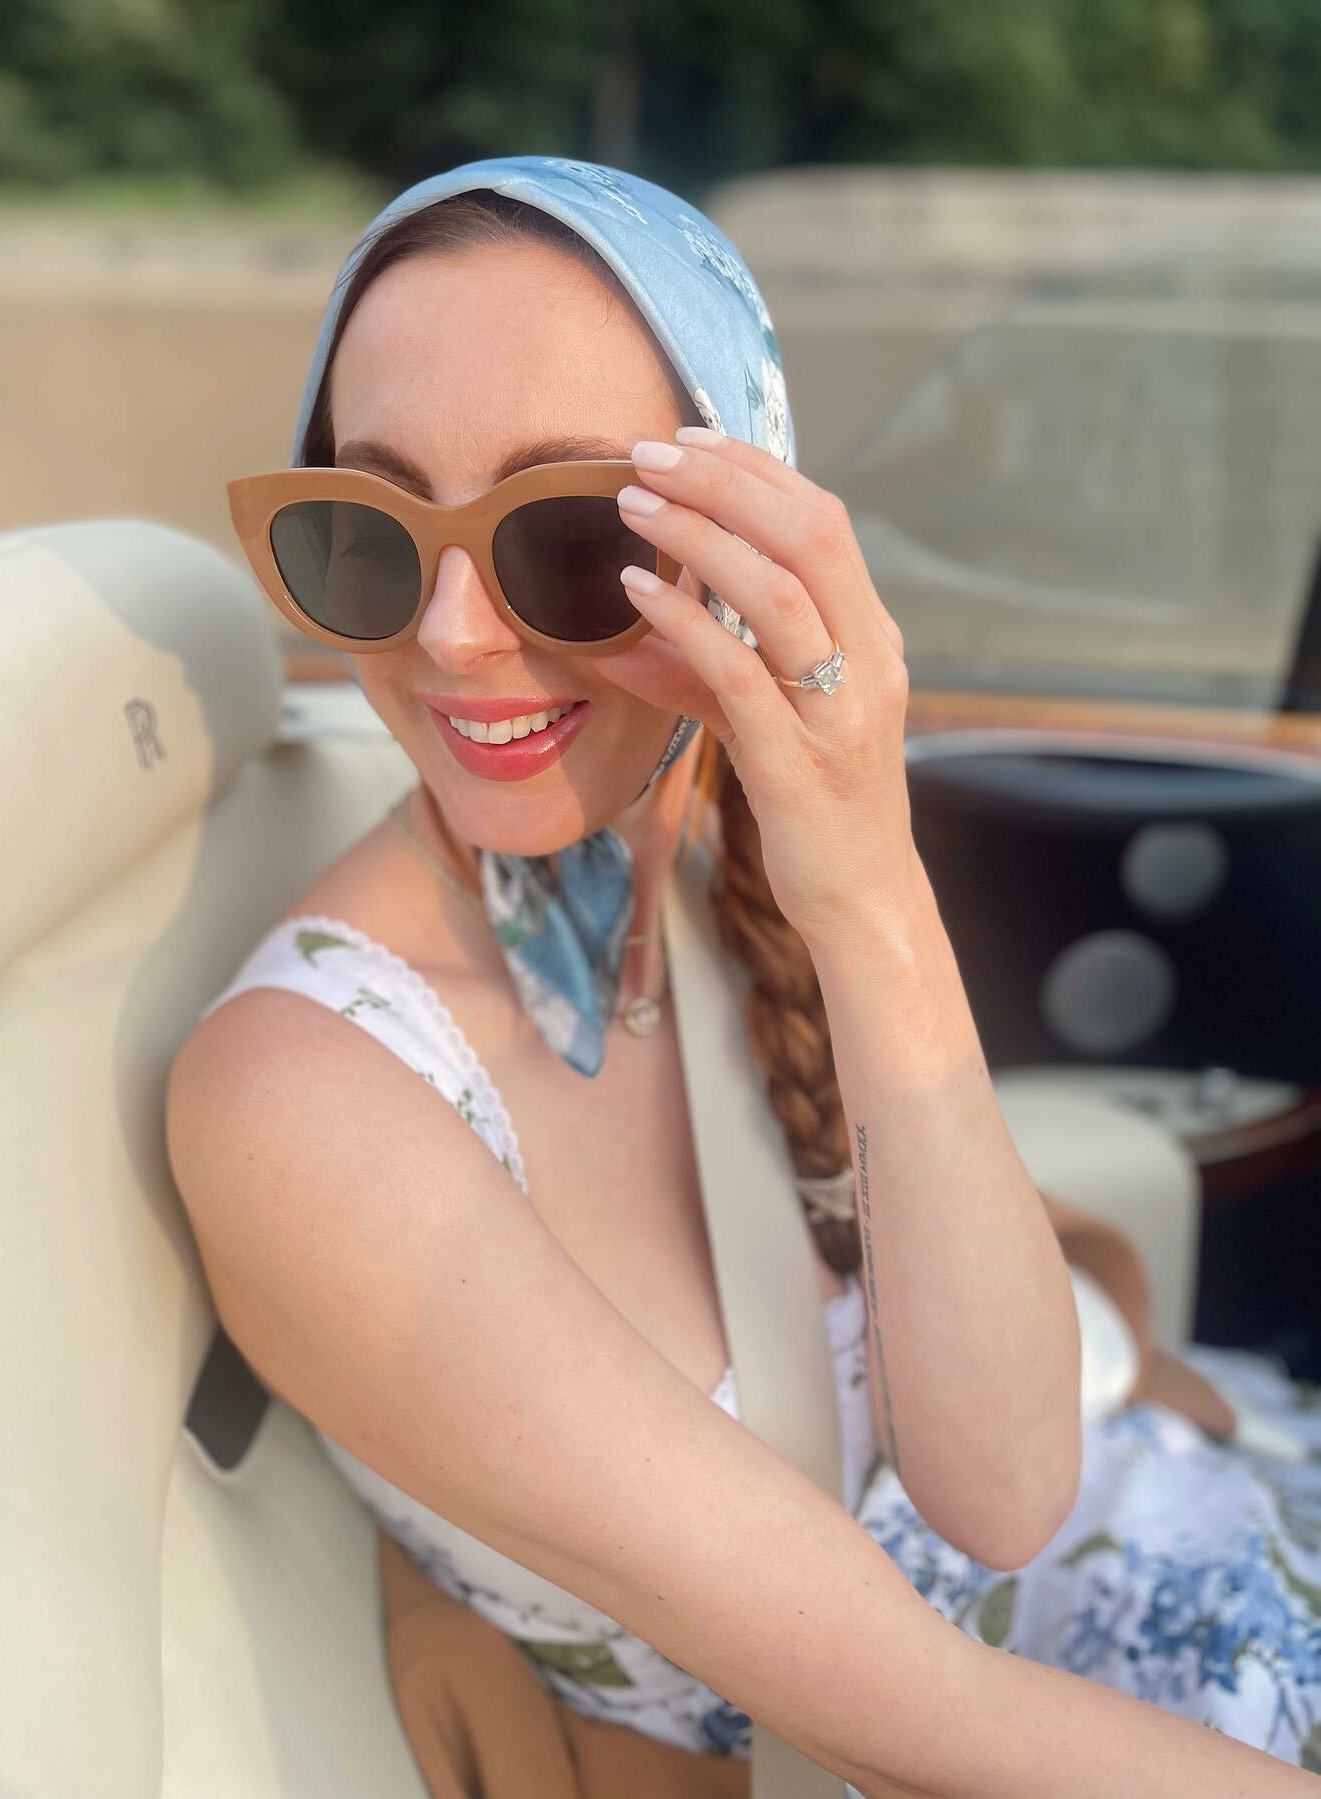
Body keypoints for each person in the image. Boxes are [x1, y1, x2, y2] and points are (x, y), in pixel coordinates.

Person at [166, 156, 1321, 1792]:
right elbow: (938, 1713)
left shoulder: (727, 840)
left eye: (571, 537)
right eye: (365, 533)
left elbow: (1008, 1478)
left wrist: (870, 885)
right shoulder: (304, 1104)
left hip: (1225, 1528)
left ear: (742, 541)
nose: (455, 634)